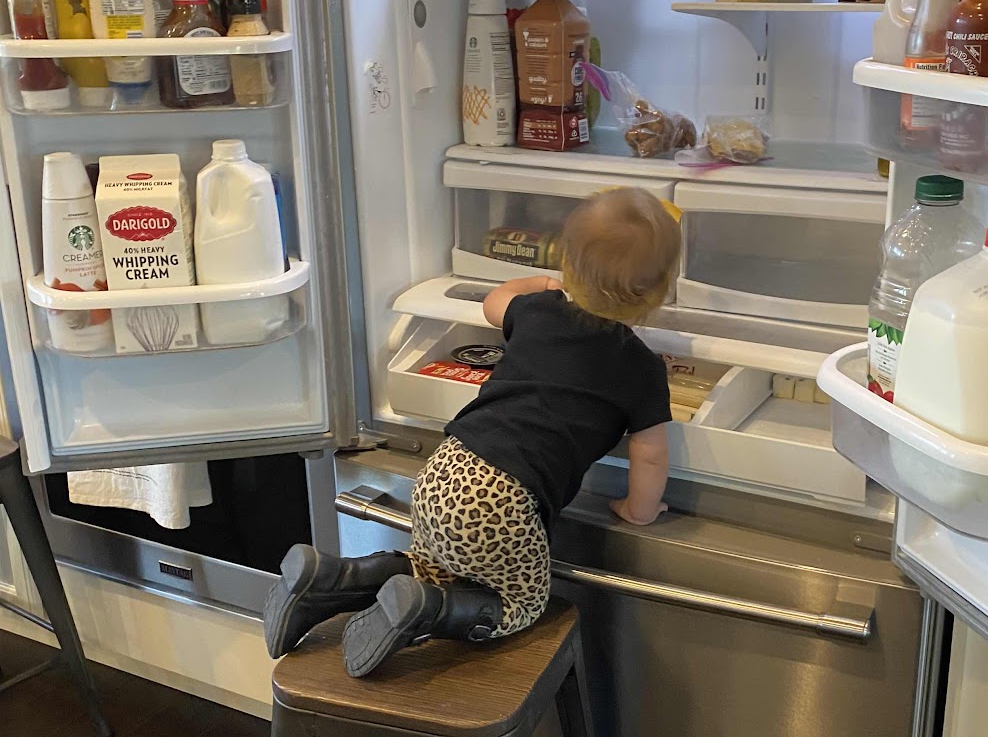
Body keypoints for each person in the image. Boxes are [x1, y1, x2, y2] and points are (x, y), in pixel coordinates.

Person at [264, 187, 680, 676]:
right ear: (660, 290)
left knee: (431, 567)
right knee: (522, 602)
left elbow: (494, 303)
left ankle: (334, 577)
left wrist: (536, 283)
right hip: (506, 499)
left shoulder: (539, 311)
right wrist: (637, 510)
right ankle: (430, 611)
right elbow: (650, 454)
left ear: (567, 263)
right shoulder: (641, 367)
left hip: (444, 469)